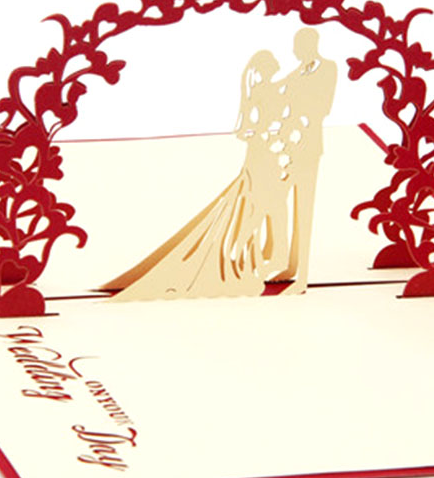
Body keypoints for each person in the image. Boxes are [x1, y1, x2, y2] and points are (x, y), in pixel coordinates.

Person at [101, 50, 293, 300]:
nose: (277, 64)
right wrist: (271, 135)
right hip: (265, 153)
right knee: (262, 207)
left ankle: (262, 255)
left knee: (264, 206)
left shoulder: (263, 91)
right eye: (273, 62)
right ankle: (249, 256)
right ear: (265, 67)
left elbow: (248, 126)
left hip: (264, 152)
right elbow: (256, 124)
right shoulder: (266, 91)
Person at [272, 28, 337, 294]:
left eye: (298, 45)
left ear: (311, 44)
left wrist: (297, 115)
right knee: (281, 201)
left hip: (309, 145)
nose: (295, 51)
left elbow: (323, 107)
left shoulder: (328, 68)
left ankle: (303, 276)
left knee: (305, 208)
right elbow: (278, 93)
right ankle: (291, 266)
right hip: (288, 147)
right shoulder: (297, 72)